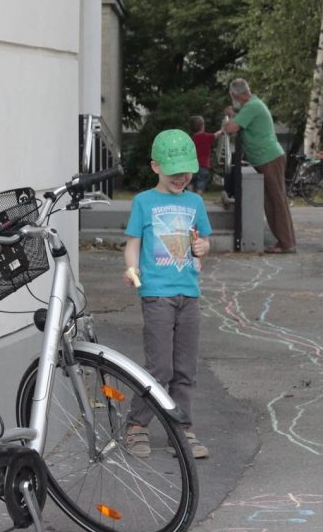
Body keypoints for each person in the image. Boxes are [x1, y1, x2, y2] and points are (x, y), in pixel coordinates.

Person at [123, 129, 213, 459]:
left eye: (187, 171)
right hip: (157, 295)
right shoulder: (144, 202)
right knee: (160, 368)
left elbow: (203, 241)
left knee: (185, 368)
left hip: (189, 294)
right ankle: (136, 425)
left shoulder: (195, 202)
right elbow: (133, 244)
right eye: (175, 172)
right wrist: (132, 269)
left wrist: (203, 246)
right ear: (156, 167)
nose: (182, 178)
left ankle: (182, 428)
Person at [223, 78, 297, 254]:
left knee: (276, 200)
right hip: (268, 157)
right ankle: (284, 240)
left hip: (269, 157)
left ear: (235, 94)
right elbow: (239, 123)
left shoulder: (252, 107)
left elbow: (231, 128)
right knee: (272, 200)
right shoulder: (252, 106)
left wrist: (228, 119)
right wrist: (234, 115)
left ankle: (287, 243)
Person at [188, 115, 224, 193]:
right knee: (201, 183)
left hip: (191, 166)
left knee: (190, 181)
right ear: (203, 126)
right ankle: (198, 196)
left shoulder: (191, 139)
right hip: (203, 166)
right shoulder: (206, 137)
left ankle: (190, 195)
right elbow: (216, 134)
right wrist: (222, 129)